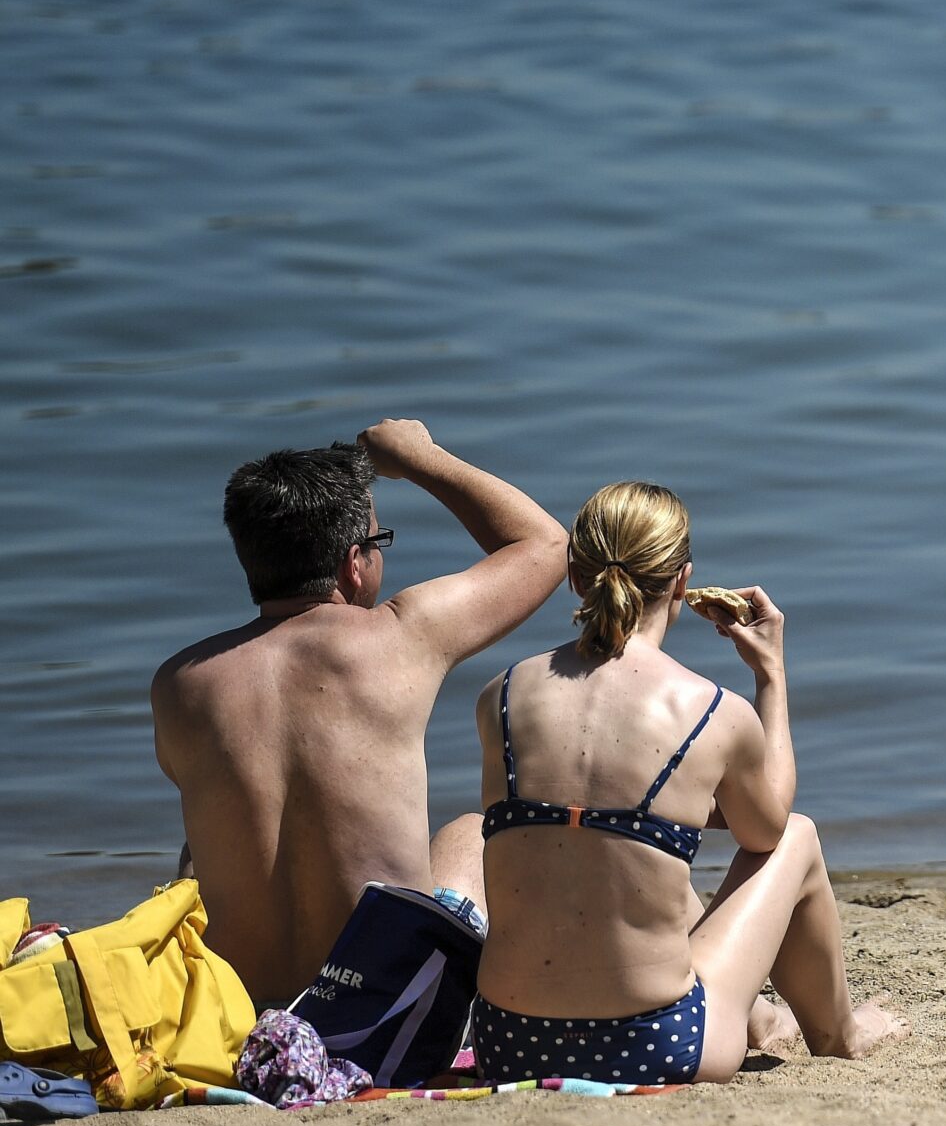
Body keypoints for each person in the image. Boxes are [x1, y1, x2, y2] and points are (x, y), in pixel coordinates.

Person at [469, 482, 906, 1084]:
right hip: (655, 1046)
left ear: (575, 577)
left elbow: (585, 807)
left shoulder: (501, 695)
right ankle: (840, 1034)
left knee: (611, 848)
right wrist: (771, 677)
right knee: (796, 838)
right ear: (683, 580)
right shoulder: (711, 711)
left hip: (510, 1042)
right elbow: (765, 829)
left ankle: (756, 1018)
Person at [151, 420, 567, 1006]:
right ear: (354, 563)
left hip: (243, 1019)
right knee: (471, 835)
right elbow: (545, 546)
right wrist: (420, 458)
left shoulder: (177, 683)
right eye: (379, 541)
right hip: (384, 1017)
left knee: (200, 853)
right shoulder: (402, 638)